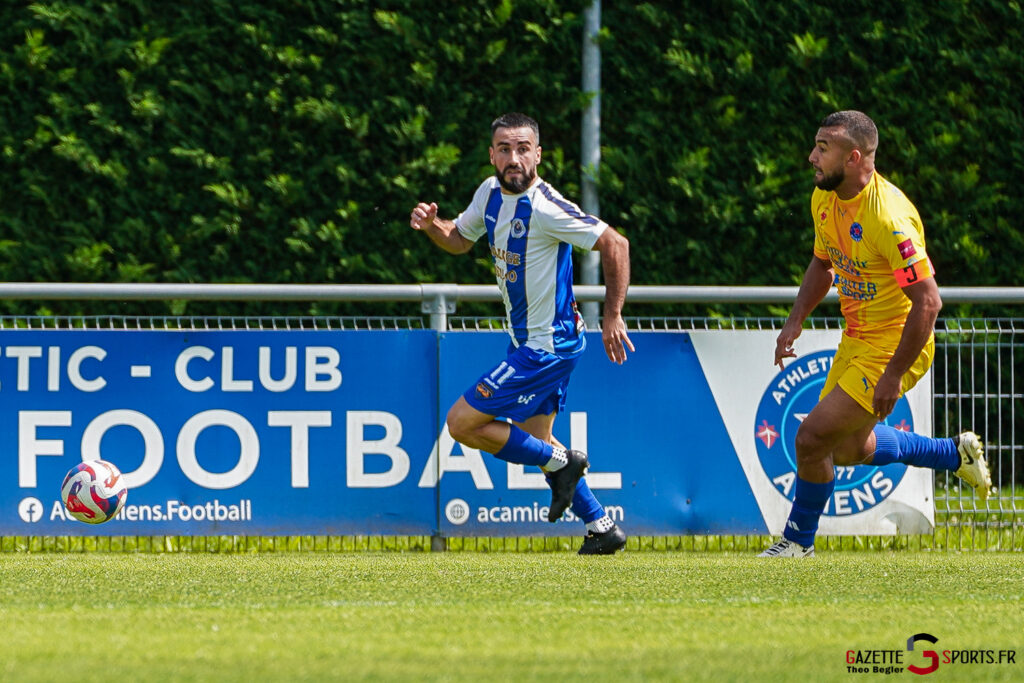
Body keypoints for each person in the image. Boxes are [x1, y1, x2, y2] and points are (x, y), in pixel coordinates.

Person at [759, 110, 992, 558]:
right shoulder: (824, 200)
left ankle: (796, 544)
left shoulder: (889, 218)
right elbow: (823, 263)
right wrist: (794, 320)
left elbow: (929, 302)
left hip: (896, 344)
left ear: (853, 158)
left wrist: (892, 374)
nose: (811, 156)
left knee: (810, 439)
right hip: (857, 338)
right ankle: (951, 454)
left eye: (821, 149)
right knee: (846, 449)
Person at [409, 112, 633, 555]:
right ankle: (602, 527)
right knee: (537, 438)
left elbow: (616, 243)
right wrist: (433, 225)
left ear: (538, 155)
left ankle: (563, 465)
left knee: (462, 423)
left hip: (547, 346)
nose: (515, 158)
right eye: (505, 149)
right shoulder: (489, 193)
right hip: (530, 340)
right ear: (492, 155)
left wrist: (613, 315)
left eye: (523, 148)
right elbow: (460, 239)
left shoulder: (547, 207)